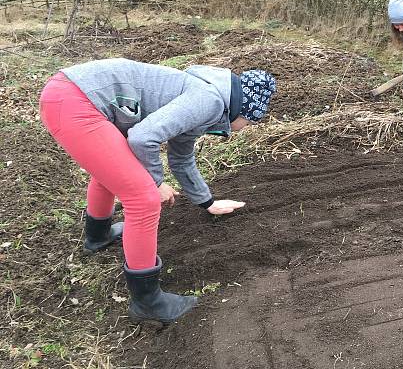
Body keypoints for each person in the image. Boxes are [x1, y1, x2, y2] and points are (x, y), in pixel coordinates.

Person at [39, 58, 276, 325]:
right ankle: (148, 303)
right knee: (143, 198)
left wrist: (207, 202)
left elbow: (181, 159)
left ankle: (98, 237)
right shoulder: (209, 100)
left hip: (70, 93)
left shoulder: (207, 98)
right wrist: (156, 182)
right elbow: (142, 137)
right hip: (76, 100)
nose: (247, 128)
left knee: (114, 170)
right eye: (251, 122)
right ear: (244, 109)